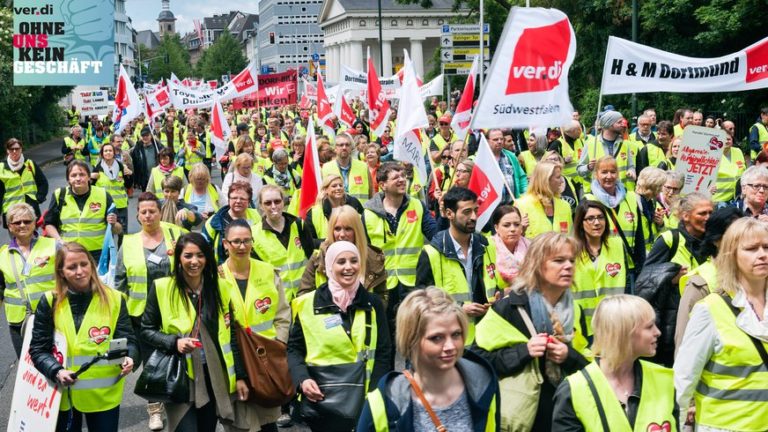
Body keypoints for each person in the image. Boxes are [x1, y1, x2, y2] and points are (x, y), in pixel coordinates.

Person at [472, 232, 590, 430]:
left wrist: (568, 355)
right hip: (526, 418)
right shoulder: (509, 307)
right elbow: (477, 360)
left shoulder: (575, 310)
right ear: (537, 264)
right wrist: (524, 352)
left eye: (571, 260)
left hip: (568, 414)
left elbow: (589, 363)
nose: (569, 266)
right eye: (559, 260)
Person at [141, 233, 249, 432]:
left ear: (207, 258)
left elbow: (231, 335)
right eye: (188, 256)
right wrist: (174, 342)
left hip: (212, 377)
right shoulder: (162, 287)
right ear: (179, 259)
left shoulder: (221, 288)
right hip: (179, 377)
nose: (194, 261)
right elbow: (146, 330)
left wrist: (240, 376)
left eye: (200, 255)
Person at [357, 288, 500, 432]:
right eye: (436, 338)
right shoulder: (383, 403)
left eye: (456, 334)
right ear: (411, 340)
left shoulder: (484, 383)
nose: (450, 346)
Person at [29, 242, 136, 432]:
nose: (80, 271)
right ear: (61, 272)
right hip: (64, 396)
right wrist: (56, 371)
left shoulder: (115, 299)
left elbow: (129, 340)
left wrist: (130, 357)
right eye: (72, 267)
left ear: (92, 264)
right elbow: (38, 349)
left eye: (84, 264)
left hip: (104, 396)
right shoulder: (49, 301)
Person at [675, 218, 768, 432]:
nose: (762, 254)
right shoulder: (710, 310)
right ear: (731, 255)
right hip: (724, 426)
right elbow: (683, 380)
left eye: (767, 247)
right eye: (752, 249)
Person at [288, 241, 392, 432]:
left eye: (354, 261)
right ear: (328, 267)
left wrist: (375, 393)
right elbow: (294, 349)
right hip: (323, 403)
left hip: (364, 402)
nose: (348, 267)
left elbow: (384, 352)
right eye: (341, 261)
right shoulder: (306, 305)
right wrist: (302, 380)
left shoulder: (372, 303)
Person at [114, 193, 187, 430]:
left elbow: (193, 263)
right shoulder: (129, 242)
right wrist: (120, 313)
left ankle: (180, 400)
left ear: (159, 211)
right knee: (150, 362)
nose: (148, 215)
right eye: (143, 212)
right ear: (138, 214)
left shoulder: (176, 234)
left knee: (177, 354)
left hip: (175, 309)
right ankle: (155, 409)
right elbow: (120, 281)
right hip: (141, 314)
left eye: (152, 211)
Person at [552, 295, 678, 431]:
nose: (657, 332)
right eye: (649, 327)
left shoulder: (664, 379)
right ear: (623, 333)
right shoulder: (574, 390)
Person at [221, 219, 290, 432]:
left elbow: (282, 313)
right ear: (225, 244)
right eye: (236, 242)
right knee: (240, 423)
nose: (242, 246)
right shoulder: (216, 277)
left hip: (265, 360)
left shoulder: (268, 271)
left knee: (268, 421)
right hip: (234, 362)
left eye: (246, 241)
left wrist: (279, 343)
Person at [363, 163, 438, 341]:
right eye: (396, 177)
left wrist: (442, 215)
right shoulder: (368, 213)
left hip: (412, 283)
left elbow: (436, 236)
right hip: (383, 284)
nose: (402, 179)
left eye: (403, 176)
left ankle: (413, 369)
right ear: (382, 185)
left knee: (415, 335)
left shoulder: (418, 206)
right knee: (386, 337)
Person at [639, 192, 713, 367]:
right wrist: (670, 278)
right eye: (702, 213)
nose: (708, 218)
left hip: (705, 318)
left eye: (711, 213)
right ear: (685, 216)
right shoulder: (669, 239)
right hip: (670, 324)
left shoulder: (714, 242)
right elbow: (645, 280)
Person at [416, 187, 500, 340]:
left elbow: (495, 285)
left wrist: (498, 298)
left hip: (487, 337)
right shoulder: (431, 253)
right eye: (467, 212)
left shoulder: (488, 246)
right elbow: (422, 302)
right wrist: (459, 308)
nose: (474, 217)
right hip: (450, 339)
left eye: (476, 210)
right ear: (449, 214)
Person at [674, 207, 743, 351]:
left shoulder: (752, 275)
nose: (743, 241)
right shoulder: (699, 282)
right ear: (716, 240)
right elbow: (684, 343)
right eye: (735, 236)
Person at [0, 203, 57, 357]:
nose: (22, 225)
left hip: (52, 316)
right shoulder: (2, 255)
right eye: (17, 222)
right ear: (9, 226)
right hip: (19, 321)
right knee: (26, 369)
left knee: (55, 363)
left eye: (27, 221)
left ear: (34, 223)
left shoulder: (53, 246)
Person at [583, 156, 645, 291]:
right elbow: (582, 239)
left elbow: (639, 235)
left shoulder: (630, 198)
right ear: (596, 174)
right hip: (603, 268)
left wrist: (642, 266)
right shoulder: (588, 200)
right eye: (604, 172)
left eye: (613, 172)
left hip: (630, 269)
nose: (609, 176)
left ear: (618, 174)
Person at [299, 204, 386, 299]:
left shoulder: (373, 257)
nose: (342, 234)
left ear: (357, 231)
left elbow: (381, 296)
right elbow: (303, 295)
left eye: (348, 229)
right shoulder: (318, 257)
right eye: (337, 229)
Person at [44, 160, 120, 261]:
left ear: (89, 177)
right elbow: (49, 225)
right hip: (69, 252)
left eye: (82, 174)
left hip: (98, 253)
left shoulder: (103, 195)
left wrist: (113, 224)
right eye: (73, 175)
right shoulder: (59, 195)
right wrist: (59, 241)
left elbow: (118, 229)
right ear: (68, 180)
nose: (78, 178)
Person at [571, 200, 627, 334]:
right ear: (580, 223)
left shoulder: (618, 245)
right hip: (581, 324)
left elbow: (627, 281)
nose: (597, 223)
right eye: (590, 218)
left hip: (612, 321)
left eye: (600, 217)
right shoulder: (570, 249)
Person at [251, 185, 315, 302]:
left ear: (283, 202)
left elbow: (312, 257)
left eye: (277, 201)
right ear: (261, 206)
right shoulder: (254, 234)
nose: (273, 206)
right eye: (268, 203)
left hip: (305, 295)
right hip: (278, 301)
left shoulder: (299, 225)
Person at [577, 111, 636, 193]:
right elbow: (579, 170)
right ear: (609, 124)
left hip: (620, 193)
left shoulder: (625, 144)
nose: (623, 124)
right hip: (596, 194)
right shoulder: (591, 144)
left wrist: (631, 171)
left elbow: (631, 166)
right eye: (619, 122)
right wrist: (588, 167)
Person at [203, 182, 262, 263]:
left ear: (249, 201)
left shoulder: (257, 216)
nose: (238, 201)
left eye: (242, 198)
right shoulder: (213, 222)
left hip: (253, 266)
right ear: (228, 200)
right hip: (223, 269)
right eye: (234, 198)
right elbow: (204, 249)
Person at [514, 161, 573, 239]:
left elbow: (570, 238)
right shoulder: (521, 205)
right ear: (546, 180)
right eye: (558, 177)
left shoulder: (565, 205)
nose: (562, 181)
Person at [0, 137, 48, 224]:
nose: (14, 151)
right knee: (16, 237)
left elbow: (43, 183)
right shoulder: (1, 167)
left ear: (21, 149)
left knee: (33, 236)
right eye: (11, 149)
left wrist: (38, 198)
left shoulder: (30, 164)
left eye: (17, 149)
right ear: (7, 151)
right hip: (11, 212)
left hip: (30, 209)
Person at [306, 174, 364, 244]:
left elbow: (362, 230)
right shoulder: (313, 213)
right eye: (334, 186)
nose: (338, 188)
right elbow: (308, 240)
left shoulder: (354, 204)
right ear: (325, 190)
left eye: (341, 185)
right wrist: (327, 241)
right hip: (325, 253)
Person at [321, 132, 374, 204]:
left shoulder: (363, 167)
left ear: (351, 148)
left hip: (359, 212)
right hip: (335, 212)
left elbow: (371, 193)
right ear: (335, 148)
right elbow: (322, 194)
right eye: (341, 145)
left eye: (347, 145)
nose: (344, 147)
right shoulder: (326, 168)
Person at [91, 142, 131, 229]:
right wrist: (90, 178)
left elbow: (128, 185)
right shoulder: (97, 168)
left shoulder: (121, 166)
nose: (108, 153)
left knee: (122, 232)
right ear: (102, 154)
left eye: (110, 150)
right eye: (105, 151)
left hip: (121, 205)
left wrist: (130, 175)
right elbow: (90, 188)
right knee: (107, 234)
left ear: (114, 153)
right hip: (104, 206)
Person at [491, 205, 530, 290]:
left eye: (516, 224)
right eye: (506, 225)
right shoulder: (488, 248)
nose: (513, 229)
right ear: (496, 228)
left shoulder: (530, 247)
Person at [488, 128, 527, 204]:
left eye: (501, 139)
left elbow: (522, 177)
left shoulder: (511, 157)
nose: (499, 142)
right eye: (495, 139)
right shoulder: (483, 159)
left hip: (512, 204)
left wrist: (525, 195)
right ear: (488, 141)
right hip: (493, 208)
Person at [634, 167, 667, 253]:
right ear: (652, 186)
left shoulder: (651, 203)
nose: (661, 190)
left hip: (649, 253)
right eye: (659, 186)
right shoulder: (634, 202)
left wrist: (660, 224)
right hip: (638, 254)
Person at [714, 131, 746, 204]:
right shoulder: (712, 154)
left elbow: (744, 170)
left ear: (732, 140)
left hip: (737, 196)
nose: (726, 141)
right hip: (719, 198)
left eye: (728, 139)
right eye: (723, 139)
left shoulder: (738, 151)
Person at [130, 126, 164, 192]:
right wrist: (136, 180)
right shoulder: (137, 149)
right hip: (145, 180)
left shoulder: (159, 147)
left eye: (147, 135)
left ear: (151, 135)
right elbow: (135, 164)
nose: (145, 137)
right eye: (143, 135)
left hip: (159, 177)